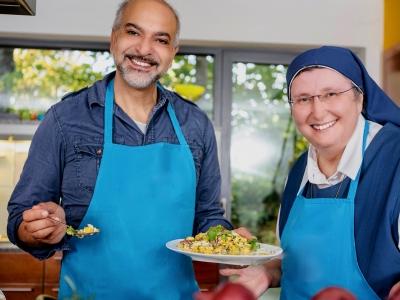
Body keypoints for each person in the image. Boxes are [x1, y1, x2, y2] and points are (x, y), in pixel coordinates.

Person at [7, 0, 233, 299]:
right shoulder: (65, 119)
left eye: (161, 39)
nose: (144, 49)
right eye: (133, 32)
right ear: (114, 38)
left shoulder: (195, 124)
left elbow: (208, 216)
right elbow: (20, 220)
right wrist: (37, 229)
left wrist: (229, 240)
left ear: (172, 53)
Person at [221, 46, 400, 299]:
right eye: (304, 99)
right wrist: (269, 272)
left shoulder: (395, 161)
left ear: (359, 98)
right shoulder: (299, 171)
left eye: (331, 94)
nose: (317, 111)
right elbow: (299, 261)